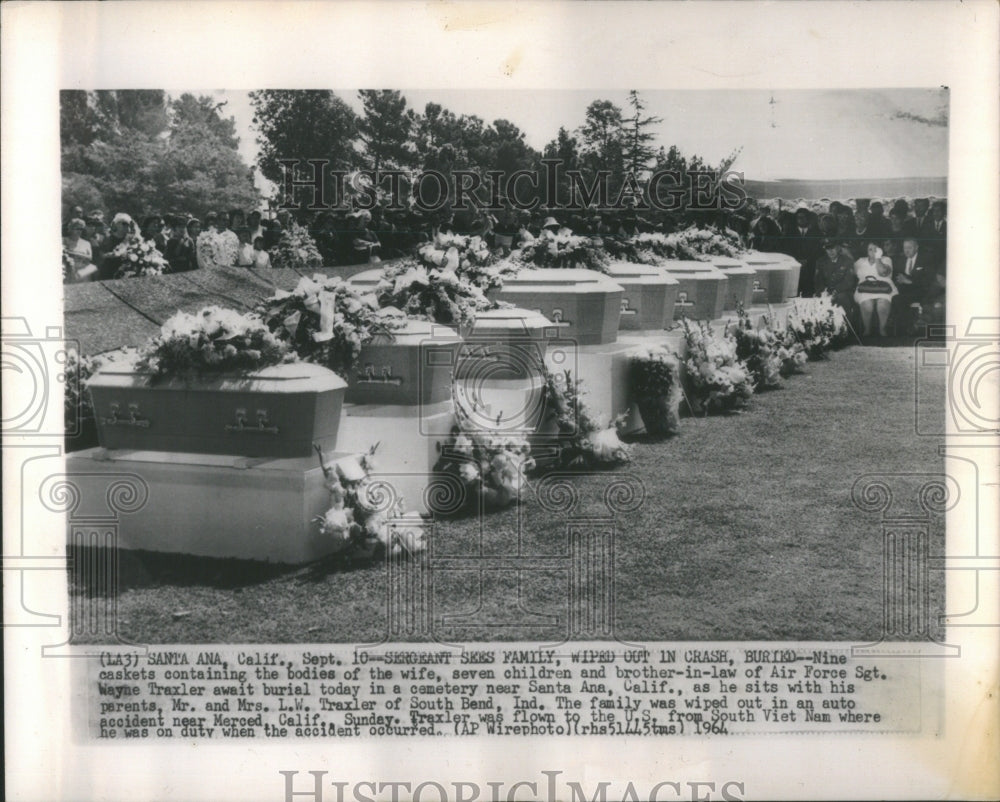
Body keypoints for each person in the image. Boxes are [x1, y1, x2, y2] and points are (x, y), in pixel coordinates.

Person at [892, 237, 937, 334]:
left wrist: (910, 282)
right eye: (905, 248)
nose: (906, 250)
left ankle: (907, 328)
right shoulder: (900, 260)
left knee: (899, 299)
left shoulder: (926, 259)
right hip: (903, 290)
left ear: (916, 247)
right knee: (895, 298)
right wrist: (899, 281)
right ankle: (908, 327)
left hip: (921, 290)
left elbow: (928, 280)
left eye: (909, 247)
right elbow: (896, 276)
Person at [854, 242, 897, 338]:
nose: (873, 252)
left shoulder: (886, 259)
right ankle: (867, 329)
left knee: (882, 304)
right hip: (865, 289)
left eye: (875, 249)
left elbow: (883, 273)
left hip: (884, 289)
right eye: (870, 249)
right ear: (866, 251)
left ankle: (882, 329)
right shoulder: (860, 261)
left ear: (880, 250)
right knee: (867, 304)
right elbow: (853, 274)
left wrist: (878, 258)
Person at [814, 239, 856, 313]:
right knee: (817, 301)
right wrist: (823, 290)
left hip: (843, 292)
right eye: (828, 249)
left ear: (838, 248)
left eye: (833, 248)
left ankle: (845, 323)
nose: (831, 251)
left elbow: (849, 282)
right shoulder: (821, 262)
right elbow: (818, 280)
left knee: (841, 298)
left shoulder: (847, 261)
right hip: (826, 291)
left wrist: (835, 291)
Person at [99, 212, 136, 280]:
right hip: (109, 269)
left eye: (128, 224)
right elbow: (101, 254)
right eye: (124, 224)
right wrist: (110, 255)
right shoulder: (108, 238)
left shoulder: (130, 238)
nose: (127, 226)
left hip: (125, 271)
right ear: (116, 224)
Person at [63, 218, 97, 282]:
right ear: (70, 229)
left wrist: (72, 254)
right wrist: (81, 255)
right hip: (69, 272)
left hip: (83, 273)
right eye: (77, 229)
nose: (79, 231)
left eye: (81, 229)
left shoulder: (86, 243)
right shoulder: (64, 240)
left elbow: (89, 258)